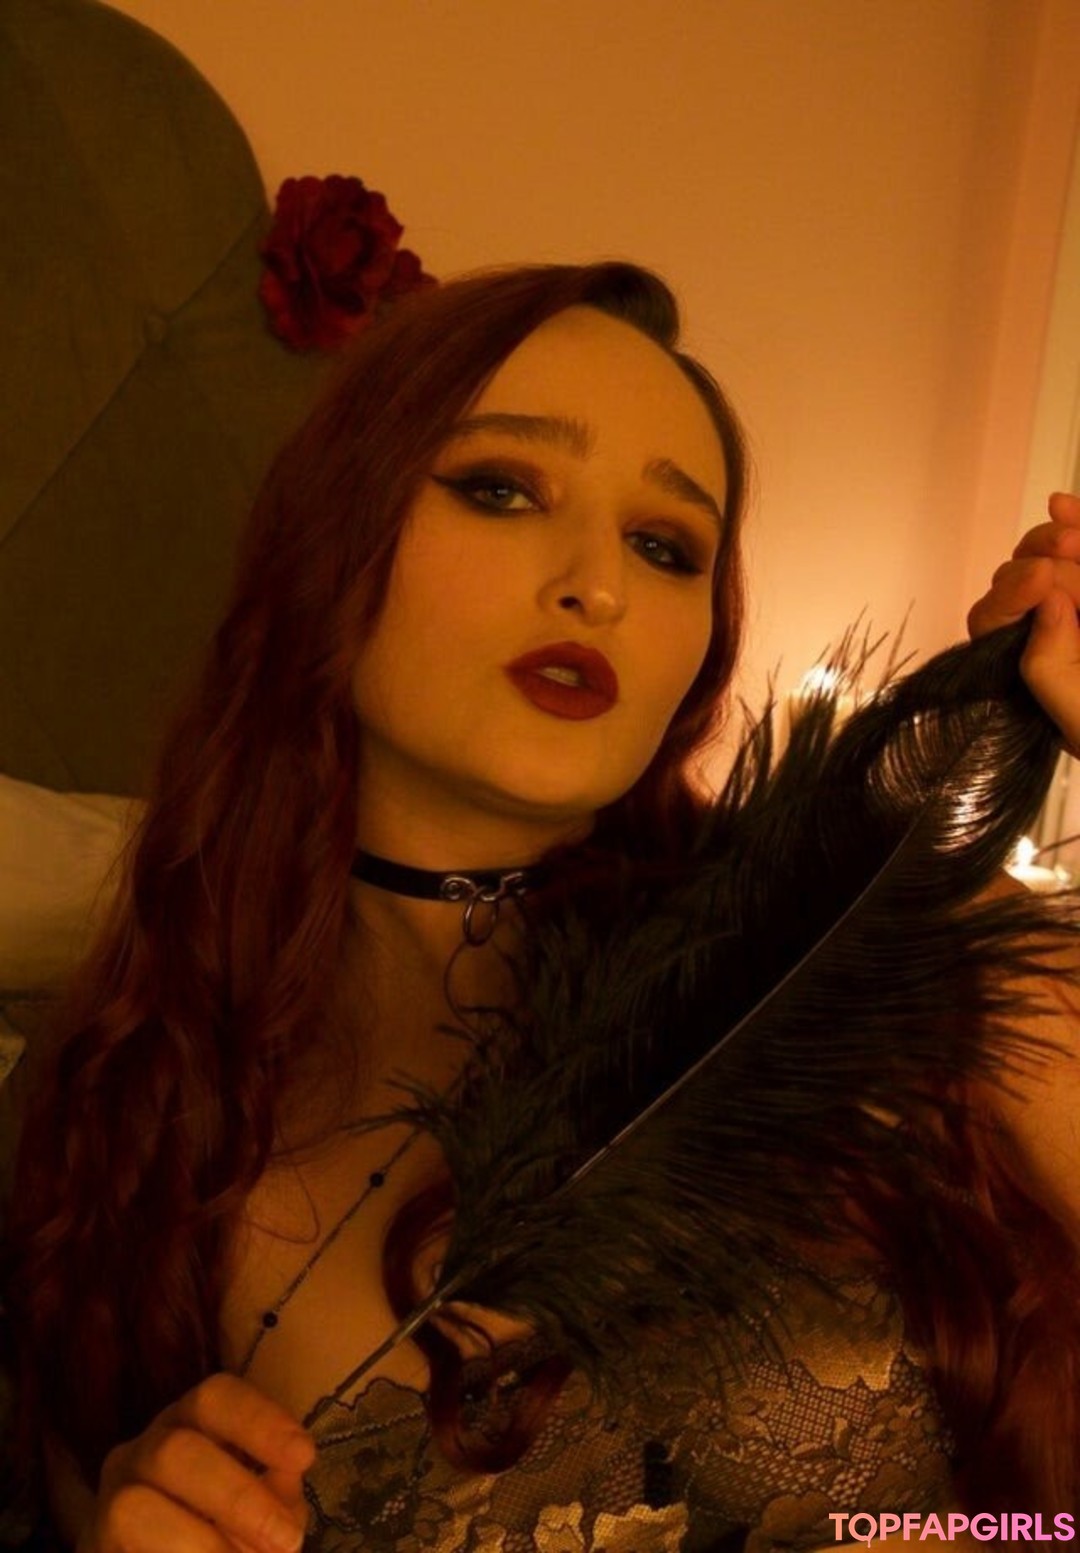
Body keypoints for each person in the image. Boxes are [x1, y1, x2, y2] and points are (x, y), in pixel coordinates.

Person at [6, 262, 1079, 1553]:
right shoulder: (110, 1116)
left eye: (664, 547)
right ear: (328, 535)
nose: (598, 587)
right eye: (502, 489)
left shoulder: (900, 965)